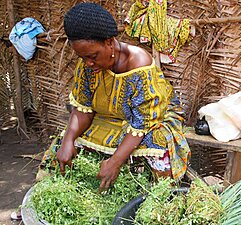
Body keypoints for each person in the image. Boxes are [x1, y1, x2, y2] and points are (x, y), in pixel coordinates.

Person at [57, 2, 190, 191]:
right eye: (82, 58)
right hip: (110, 117)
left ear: (110, 42)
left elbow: (142, 122)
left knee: (157, 141)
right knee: (64, 142)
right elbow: (83, 108)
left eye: (93, 56)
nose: (88, 63)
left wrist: (115, 161)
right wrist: (68, 141)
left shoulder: (138, 64)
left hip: (152, 117)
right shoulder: (88, 65)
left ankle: (162, 198)